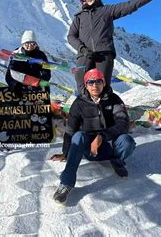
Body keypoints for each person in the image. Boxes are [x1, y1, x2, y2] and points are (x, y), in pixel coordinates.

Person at [50, 68, 136, 204]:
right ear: (86, 85)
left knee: (127, 141)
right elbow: (70, 130)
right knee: (78, 136)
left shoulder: (114, 99)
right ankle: (66, 183)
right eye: (91, 82)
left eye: (98, 81)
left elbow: (123, 123)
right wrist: (66, 152)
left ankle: (117, 161)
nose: (94, 85)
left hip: (110, 146)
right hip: (90, 149)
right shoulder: (79, 103)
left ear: (104, 83)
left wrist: (102, 136)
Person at [68, 0, 161, 93]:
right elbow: (71, 36)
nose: (87, 1)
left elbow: (131, 5)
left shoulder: (107, 11)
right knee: (81, 83)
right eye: (84, 0)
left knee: (102, 87)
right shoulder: (79, 17)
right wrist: (82, 49)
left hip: (103, 54)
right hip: (85, 55)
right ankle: (84, 107)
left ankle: (105, 108)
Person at [5, 30, 51, 96]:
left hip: (35, 86)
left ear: (36, 44)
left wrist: (40, 82)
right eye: (27, 43)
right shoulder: (17, 54)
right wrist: (15, 85)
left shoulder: (40, 55)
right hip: (19, 85)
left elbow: (46, 71)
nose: (29, 46)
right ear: (23, 43)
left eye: (32, 43)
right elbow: (10, 74)